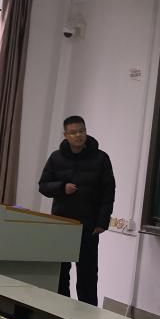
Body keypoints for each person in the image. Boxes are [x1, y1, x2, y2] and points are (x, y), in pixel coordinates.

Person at [39, 115, 115, 306]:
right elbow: (43, 186)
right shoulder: (56, 158)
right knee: (60, 273)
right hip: (61, 225)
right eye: (73, 132)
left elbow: (108, 193)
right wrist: (61, 187)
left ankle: (87, 317)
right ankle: (60, 310)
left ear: (86, 131)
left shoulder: (101, 158)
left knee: (87, 276)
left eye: (81, 131)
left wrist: (102, 222)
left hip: (89, 226)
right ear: (66, 135)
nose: (78, 135)